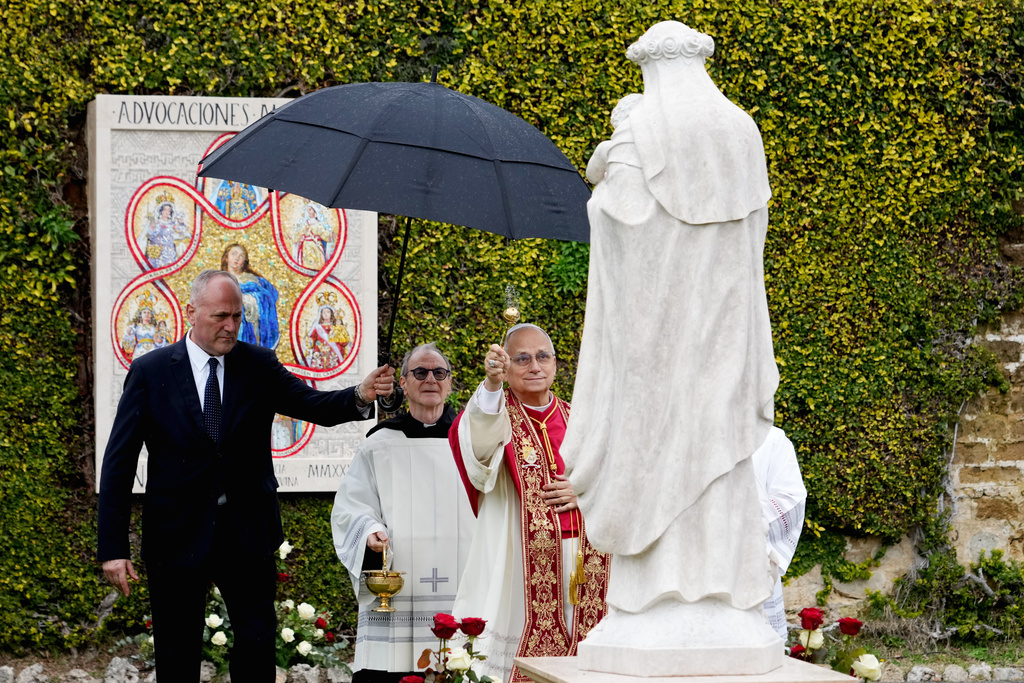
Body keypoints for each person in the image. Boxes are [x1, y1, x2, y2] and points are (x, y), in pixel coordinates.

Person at [97, 269, 395, 682]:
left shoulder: (258, 365)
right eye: (221, 315)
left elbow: (313, 406)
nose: (232, 325)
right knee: (176, 647)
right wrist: (113, 546)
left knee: (257, 642)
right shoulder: (151, 372)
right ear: (191, 312)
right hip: (176, 533)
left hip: (247, 530)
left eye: (237, 315)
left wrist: (360, 395)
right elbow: (119, 460)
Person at [449, 324, 610, 683]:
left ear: (555, 364)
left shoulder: (581, 421)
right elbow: (475, 446)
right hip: (521, 565)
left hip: (591, 559)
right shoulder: (496, 414)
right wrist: (491, 386)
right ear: (506, 367)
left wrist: (584, 492)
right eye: (521, 359)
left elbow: (619, 479)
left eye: (542, 357)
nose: (534, 366)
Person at [332, 343, 475, 683]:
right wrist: (368, 532)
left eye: (439, 372)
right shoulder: (379, 444)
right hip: (398, 590)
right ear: (404, 384)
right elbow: (351, 507)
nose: (430, 379)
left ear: (450, 383)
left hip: (462, 582)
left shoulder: (472, 443)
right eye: (420, 372)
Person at [752, 427, 807, 639]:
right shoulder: (684, 431)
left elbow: (791, 498)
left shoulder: (769, 438)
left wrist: (741, 516)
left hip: (750, 556)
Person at [221, 243, 280, 349]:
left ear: (245, 260)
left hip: (252, 325)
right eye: (234, 254)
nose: (237, 258)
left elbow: (270, 296)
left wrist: (251, 300)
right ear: (226, 257)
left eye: (241, 255)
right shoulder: (218, 280)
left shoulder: (254, 279)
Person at [308, 303, 351, 369]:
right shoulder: (317, 328)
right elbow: (311, 341)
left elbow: (343, 342)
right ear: (321, 314)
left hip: (334, 357)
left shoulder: (336, 327)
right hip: (319, 356)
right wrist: (309, 341)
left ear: (331, 314)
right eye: (324, 312)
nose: (325, 314)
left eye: (328, 312)